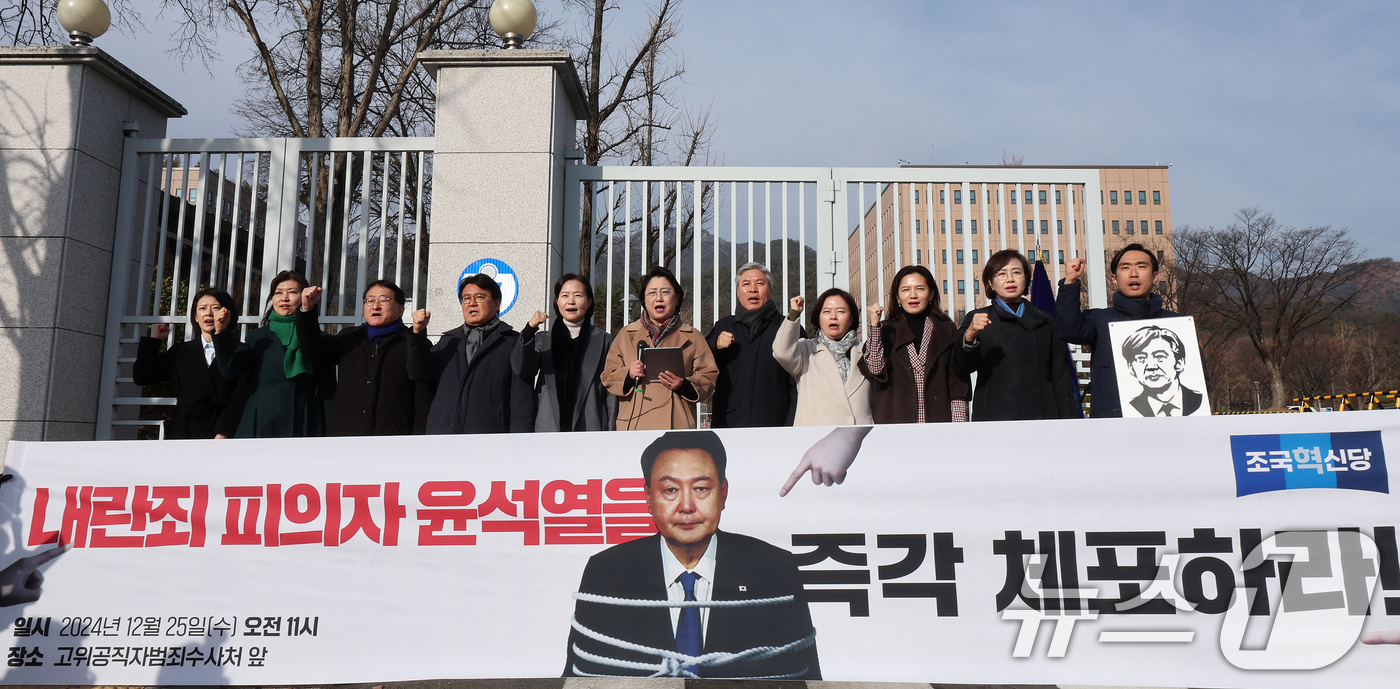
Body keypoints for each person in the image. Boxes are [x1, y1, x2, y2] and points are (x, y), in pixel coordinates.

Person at [562, 431, 821, 679]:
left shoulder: (773, 568)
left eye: (700, 489)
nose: (686, 506)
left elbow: (805, 677)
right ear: (648, 498)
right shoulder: (607, 571)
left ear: (722, 493)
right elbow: (579, 677)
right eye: (671, 490)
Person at [1056, 243, 1186, 417]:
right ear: (1114, 278)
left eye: (1141, 266)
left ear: (1155, 276)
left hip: (1171, 426)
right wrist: (1070, 282)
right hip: (1110, 427)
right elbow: (1067, 329)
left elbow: (1199, 377)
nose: (1134, 273)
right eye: (1125, 268)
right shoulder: (1099, 321)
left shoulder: (1177, 324)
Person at [952, 250, 1079, 421]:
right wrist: (969, 336)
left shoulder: (1045, 320)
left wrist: (1070, 421)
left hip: (1042, 415)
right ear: (990, 282)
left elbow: (1061, 377)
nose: (1010, 279)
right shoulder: (977, 319)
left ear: (1026, 279)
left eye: (1017, 272)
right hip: (996, 415)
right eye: (1001, 274)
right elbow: (961, 368)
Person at [297, 279, 432, 435]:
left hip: (394, 441)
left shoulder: (412, 344)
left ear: (400, 309)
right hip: (346, 437)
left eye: (384, 300)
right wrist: (307, 309)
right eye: (370, 300)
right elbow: (311, 350)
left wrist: (417, 441)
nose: (375, 306)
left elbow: (423, 400)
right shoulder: (350, 338)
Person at [406, 273, 534, 434]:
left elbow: (521, 401)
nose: (471, 303)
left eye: (480, 297)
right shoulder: (449, 341)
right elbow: (419, 372)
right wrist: (417, 335)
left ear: (496, 303)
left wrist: (519, 441)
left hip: (490, 439)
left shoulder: (513, 342)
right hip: (444, 436)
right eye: (466, 298)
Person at [213, 271, 330, 438]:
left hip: (304, 419)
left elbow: (328, 390)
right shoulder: (258, 338)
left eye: (292, 292)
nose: (284, 298)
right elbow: (230, 370)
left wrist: (332, 433)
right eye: (278, 293)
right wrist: (220, 333)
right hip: (262, 420)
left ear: (305, 297)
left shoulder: (318, 339)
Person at [601, 266, 719, 431]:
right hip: (634, 424)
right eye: (652, 293)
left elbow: (709, 377)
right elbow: (608, 374)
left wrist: (684, 384)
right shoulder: (626, 334)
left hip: (677, 425)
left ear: (677, 298)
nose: (659, 298)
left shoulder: (693, 336)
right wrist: (628, 374)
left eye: (665, 292)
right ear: (644, 299)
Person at [857, 265, 970, 423]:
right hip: (895, 421)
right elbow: (875, 370)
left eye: (920, 289)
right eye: (905, 290)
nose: (913, 295)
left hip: (938, 422)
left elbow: (957, 379)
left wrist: (959, 424)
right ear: (897, 297)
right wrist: (875, 327)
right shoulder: (886, 330)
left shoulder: (946, 329)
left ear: (931, 295)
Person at [132, 287, 245, 439]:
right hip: (185, 431)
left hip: (223, 434)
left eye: (216, 308)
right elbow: (142, 376)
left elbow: (242, 398)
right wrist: (154, 341)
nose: (208, 313)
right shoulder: (181, 352)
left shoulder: (242, 351)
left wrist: (225, 431)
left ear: (228, 314)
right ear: (196, 317)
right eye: (202, 308)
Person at [516, 274, 617, 432]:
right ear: (557, 302)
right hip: (548, 428)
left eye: (578, 295)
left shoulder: (605, 341)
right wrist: (529, 329)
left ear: (589, 302)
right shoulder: (543, 339)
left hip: (590, 427)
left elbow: (611, 393)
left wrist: (611, 432)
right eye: (565, 296)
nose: (571, 301)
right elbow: (522, 368)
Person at [705, 263, 799, 427]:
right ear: (738, 292)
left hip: (774, 427)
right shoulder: (723, 327)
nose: (753, 289)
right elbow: (700, 365)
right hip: (728, 425)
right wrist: (714, 344)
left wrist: (790, 427)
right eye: (746, 284)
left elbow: (797, 386)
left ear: (770, 290)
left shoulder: (787, 328)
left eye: (760, 283)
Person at [772, 288, 873, 426]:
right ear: (818, 318)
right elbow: (781, 351)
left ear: (851, 319)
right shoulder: (806, 350)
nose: (833, 316)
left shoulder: (865, 351)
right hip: (817, 439)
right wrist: (794, 313)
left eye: (841, 311)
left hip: (858, 438)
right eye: (826, 311)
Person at [1120, 325, 1206, 416]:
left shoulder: (1199, 401)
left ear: (1179, 363)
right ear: (1131, 368)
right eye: (1141, 358)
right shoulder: (1129, 408)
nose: (1151, 366)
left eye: (1159, 356)